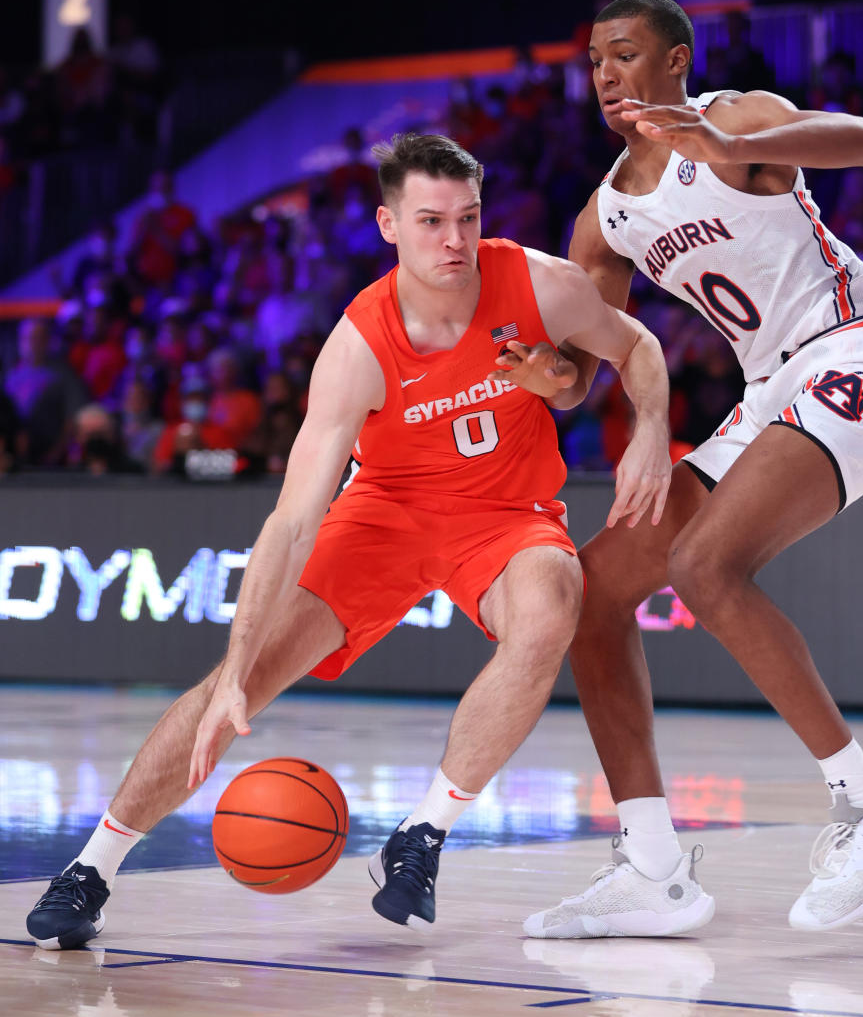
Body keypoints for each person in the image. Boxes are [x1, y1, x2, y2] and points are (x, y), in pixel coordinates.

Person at [26, 132, 677, 950]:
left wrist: (650, 423)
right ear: (387, 225)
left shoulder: (542, 283)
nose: (454, 240)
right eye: (432, 220)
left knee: (552, 611)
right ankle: (91, 868)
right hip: (387, 514)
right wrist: (237, 663)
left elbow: (639, 346)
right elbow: (293, 518)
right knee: (237, 682)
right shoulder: (358, 346)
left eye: (468, 219)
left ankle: (423, 835)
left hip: (507, 512)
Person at [505, 0, 863, 938]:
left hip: (856, 352)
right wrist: (550, 373)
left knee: (703, 565)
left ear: (675, 60)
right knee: (592, 591)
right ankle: (654, 868)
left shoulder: (737, 117)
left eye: (623, 55)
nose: (606, 75)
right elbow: (588, 368)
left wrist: (722, 146)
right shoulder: (605, 215)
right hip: (768, 392)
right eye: (593, 61)